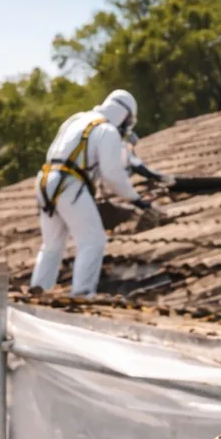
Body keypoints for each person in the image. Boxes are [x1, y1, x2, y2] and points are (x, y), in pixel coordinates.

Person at [31, 89, 163, 297]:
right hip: (69, 184)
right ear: (125, 116)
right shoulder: (107, 130)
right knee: (93, 240)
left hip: (46, 180)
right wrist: (136, 200)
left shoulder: (77, 120)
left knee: (52, 244)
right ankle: (82, 293)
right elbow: (112, 174)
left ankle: (38, 288)